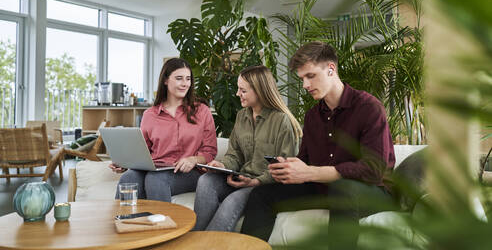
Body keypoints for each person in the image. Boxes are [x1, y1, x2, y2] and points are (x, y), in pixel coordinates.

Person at [240, 42, 396, 249]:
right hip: (326, 188)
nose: (305, 84)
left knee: (343, 189)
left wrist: (311, 173)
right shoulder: (313, 116)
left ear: (331, 69)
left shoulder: (369, 108)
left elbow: (374, 170)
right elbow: (305, 160)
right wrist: (289, 168)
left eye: (310, 76)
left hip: (371, 192)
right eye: (302, 78)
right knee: (261, 195)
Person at [193, 65, 302, 232]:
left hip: (262, 186)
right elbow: (235, 154)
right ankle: (195, 239)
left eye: (242, 90)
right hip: (240, 178)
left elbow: (285, 166)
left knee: (232, 201)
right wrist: (222, 166)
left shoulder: (282, 121)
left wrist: (255, 181)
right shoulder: (241, 116)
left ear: (259, 90)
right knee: (205, 181)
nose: (238, 94)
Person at [110, 58, 217, 202]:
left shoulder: (202, 111)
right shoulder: (150, 114)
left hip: (188, 172)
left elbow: (210, 150)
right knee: (128, 177)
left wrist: (193, 159)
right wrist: (125, 163)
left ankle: (162, 224)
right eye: (179, 78)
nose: (185, 83)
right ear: (166, 80)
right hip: (156, 168)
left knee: (156, 179)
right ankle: (124, 222)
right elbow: (143, 151)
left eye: (188, 79)